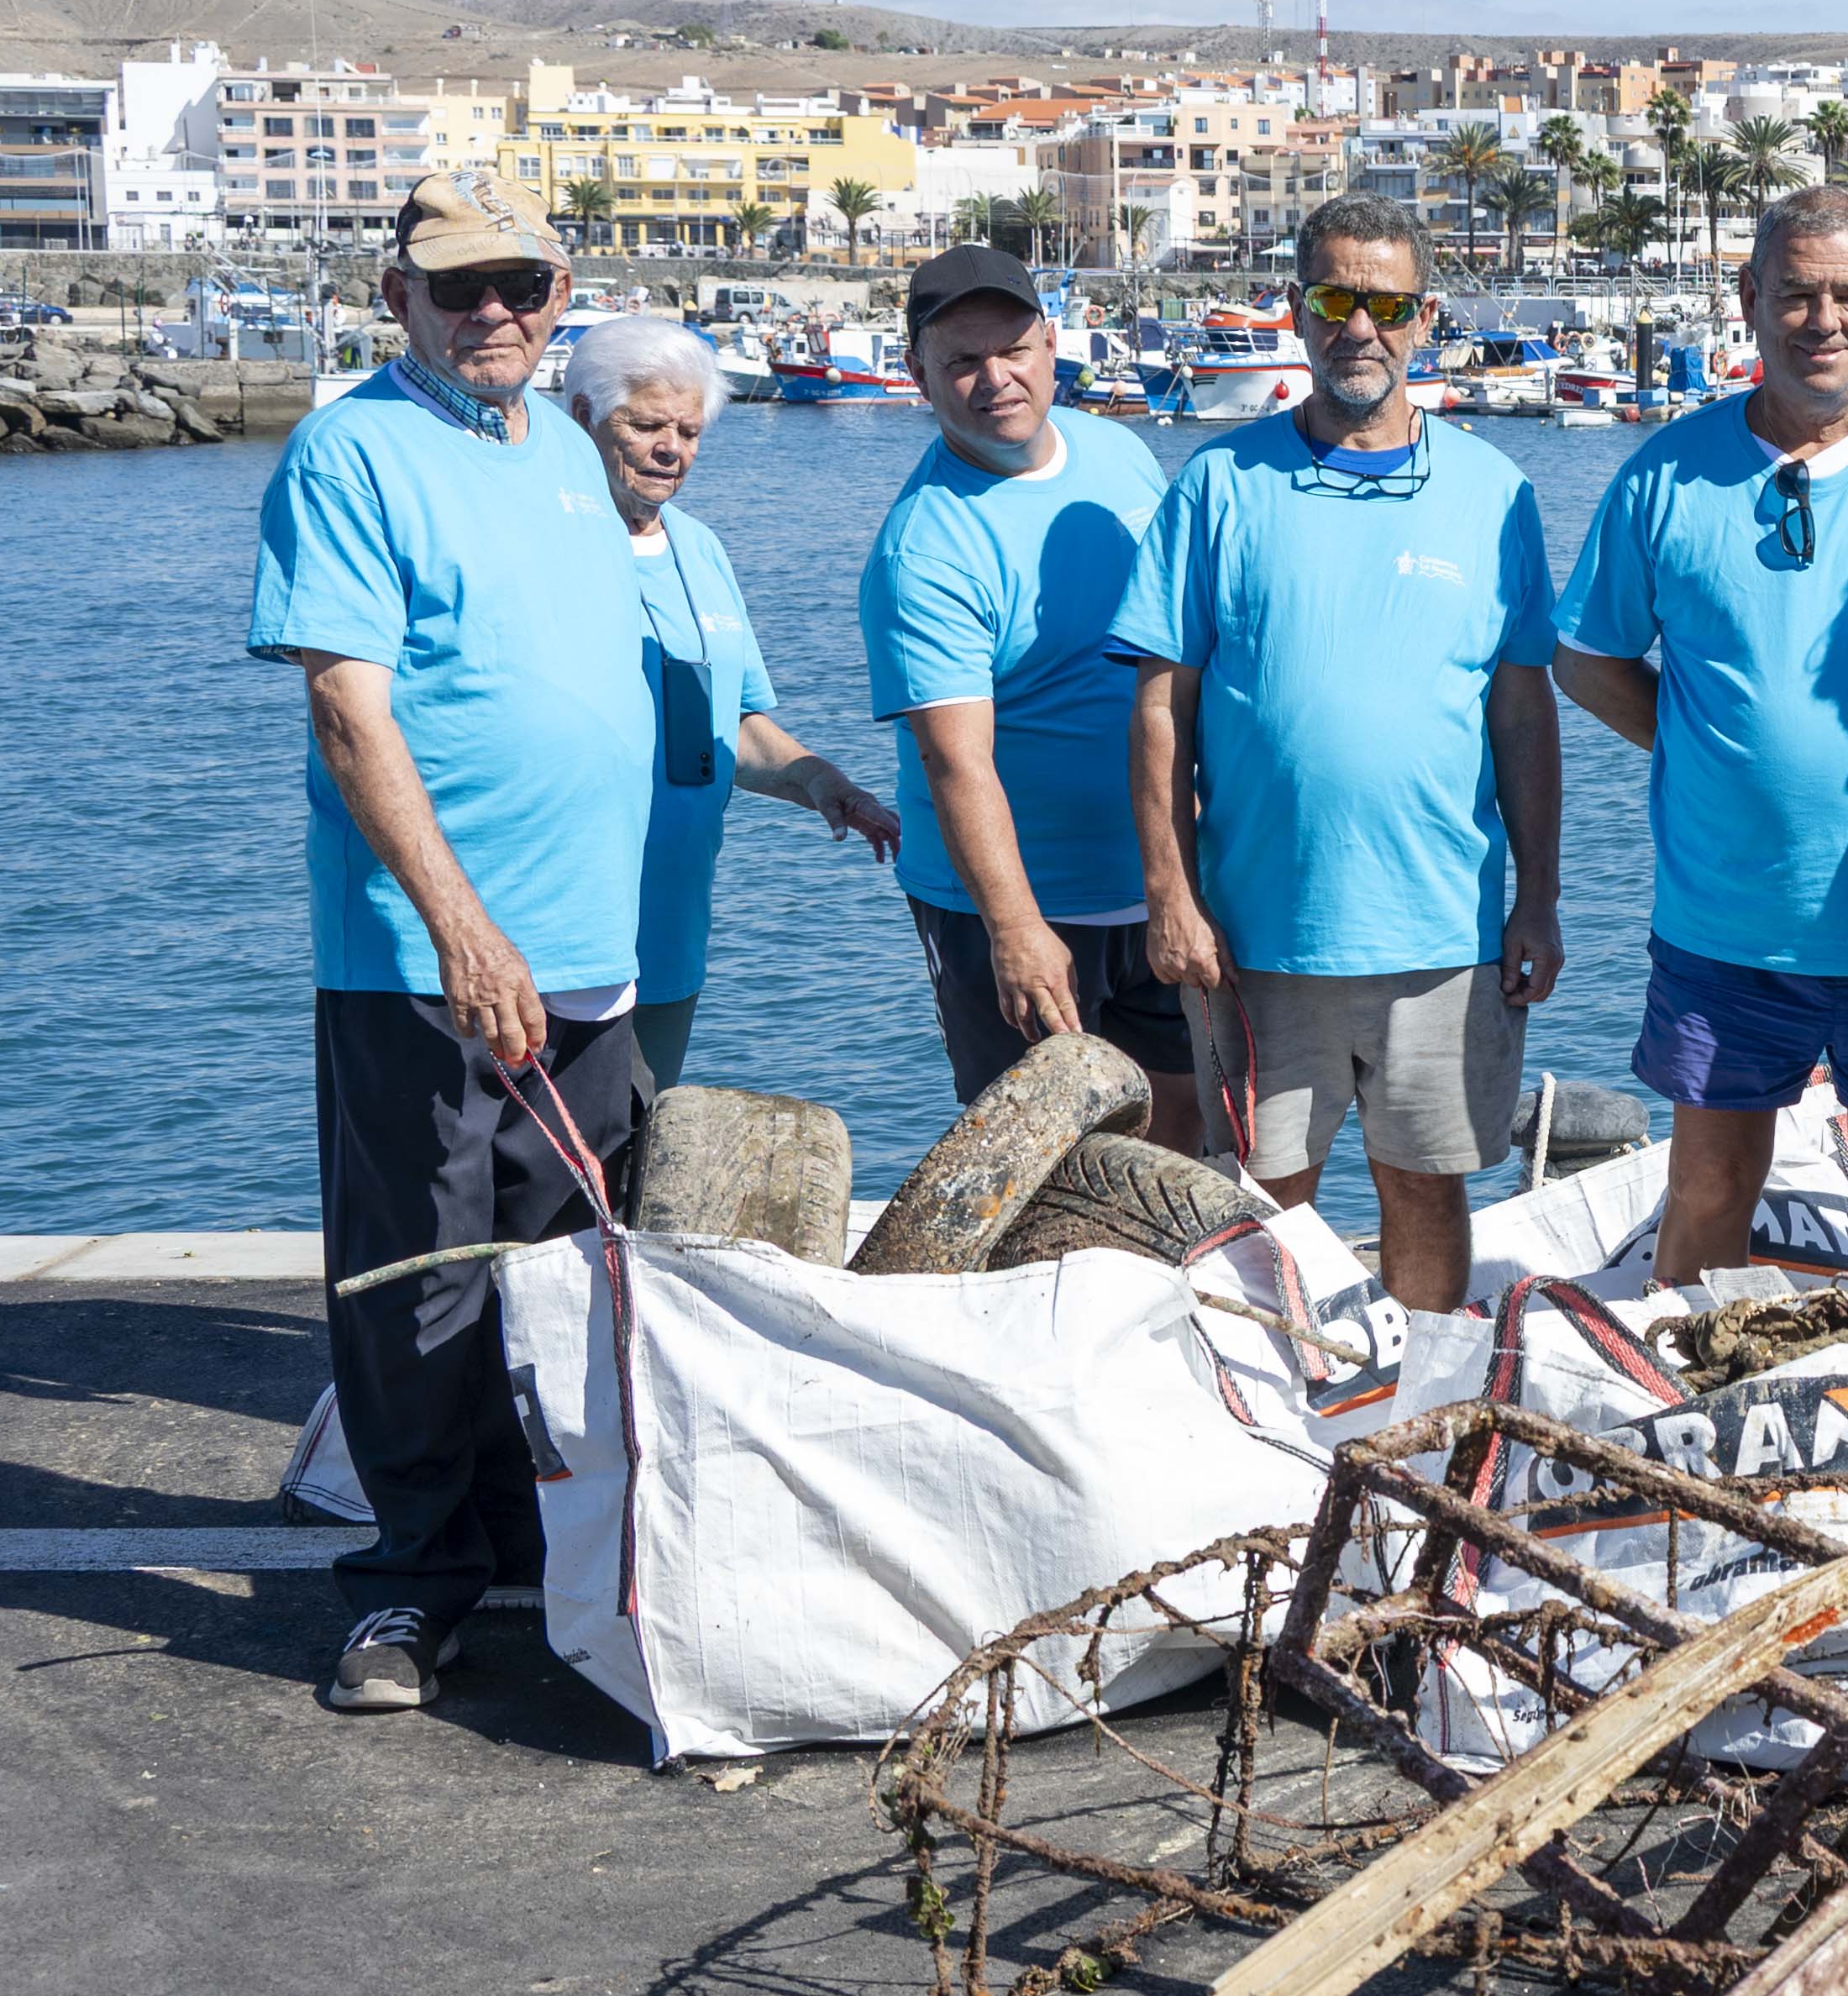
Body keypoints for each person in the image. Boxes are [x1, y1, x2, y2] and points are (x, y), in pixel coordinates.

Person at [249, 171, 648, 1714]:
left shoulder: (566, 455)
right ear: (397, 297)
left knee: (558, 1291)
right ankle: (408, 1595)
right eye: (456, 287)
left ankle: (542, 1567)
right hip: (429, 966)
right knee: (420, 1285)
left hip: (590, 963)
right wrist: (463, 927)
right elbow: (351, 713)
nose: (493, 312)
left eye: (521, 285)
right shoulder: (353, 448)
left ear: (560, 295)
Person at [1553, 186, 1848, 1338]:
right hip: (1725, 925)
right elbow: (1589, 658)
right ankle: (1683, 1420)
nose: (1824, 320)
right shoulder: (1665, 477)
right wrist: (1708, 747)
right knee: (1711, 1181)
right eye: (1797, 294)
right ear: (1749, 302)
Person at [1117, 196, 1562, 1310]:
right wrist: (1171, 896)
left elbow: (1523, 714)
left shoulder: (1494, 494)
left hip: (1443, 934)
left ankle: (1432, 1409)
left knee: (1426, 1191)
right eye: (1333, 299)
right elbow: (1160, 709)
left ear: (1426, 318)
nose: (1359, 326)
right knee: (1264, 1209)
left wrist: (1541, 899)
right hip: (1262, 935)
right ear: (1296, 310)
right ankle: (1268, 1426)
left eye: (1386, 303)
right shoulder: (1220, 485)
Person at [860, 243, 1195, 1151]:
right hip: (1018, 907)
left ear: (1052, 343)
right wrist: (1016, 928)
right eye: (961, 361)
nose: (993, 379)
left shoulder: (1120, 452)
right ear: (918, 375)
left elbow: (1176, 649)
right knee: (1047, 1164)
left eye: (1011, 349)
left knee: (1182, 1136)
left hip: (1156, 882)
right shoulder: (923, 547)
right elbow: (956, 760)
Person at [559, 314, 898, 1089]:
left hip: (670, 939)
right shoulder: (541, 543)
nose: (671, 448)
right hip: (557, 944)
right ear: (582, 416)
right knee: (542, 1187)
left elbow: (731, 722)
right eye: (645, 424)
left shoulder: (700, 549)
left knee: (638, 1164)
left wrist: (824, 783)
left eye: (689, 429)